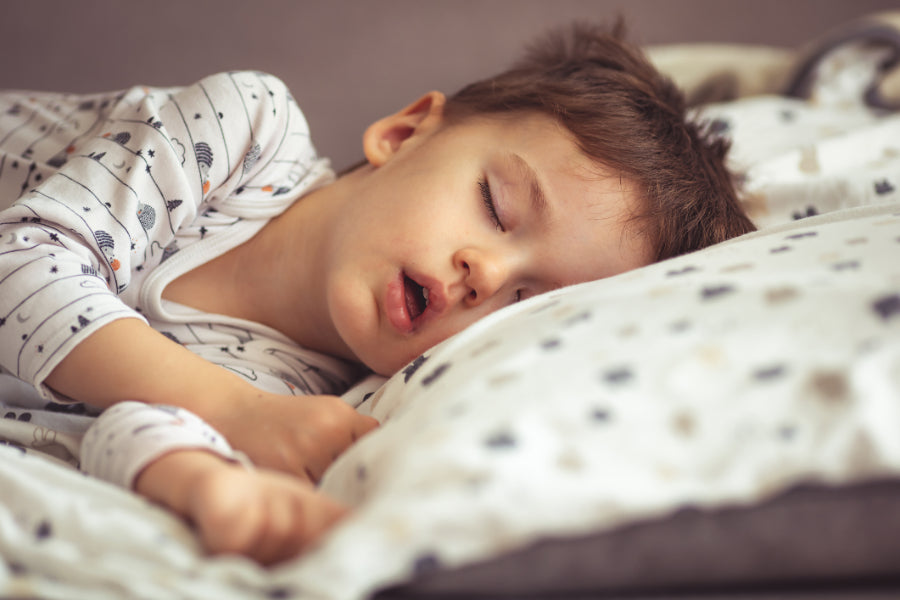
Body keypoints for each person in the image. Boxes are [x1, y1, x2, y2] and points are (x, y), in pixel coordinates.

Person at [0, 22, 755, 565]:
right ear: (404, 133)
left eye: (529, 300)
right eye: (496, 206)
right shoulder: (242, 136)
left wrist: (206, 482)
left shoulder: (309, 392)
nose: (486, 276)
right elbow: (22, 267)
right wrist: (237, 413)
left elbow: (119, 424)